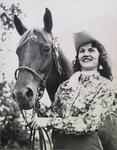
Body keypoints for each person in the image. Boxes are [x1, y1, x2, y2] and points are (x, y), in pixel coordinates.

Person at [31, 31, 117, 150]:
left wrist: (48, 122)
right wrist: (36, 104)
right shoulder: (65, 86)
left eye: (91, 50)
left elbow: (89, 123)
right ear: (78, 58)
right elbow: (55, 115)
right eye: (82, 51)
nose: (85, 54)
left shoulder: (106, 86)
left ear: (100, 58)